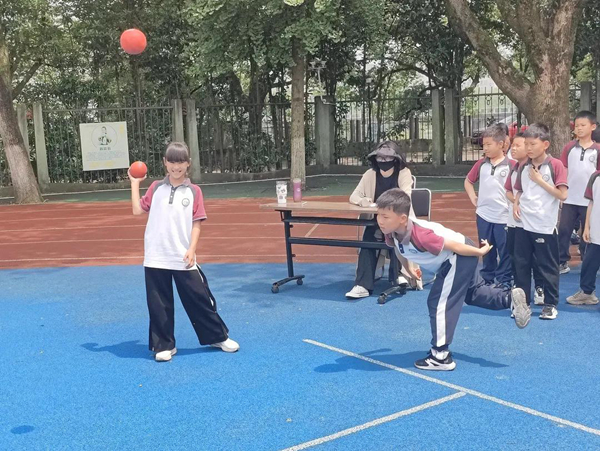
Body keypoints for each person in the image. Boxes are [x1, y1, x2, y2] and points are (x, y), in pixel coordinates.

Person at [376, 189, 529, 371]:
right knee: (472, 294)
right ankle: (509, 299)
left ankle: (440, 356)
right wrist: (408, 269)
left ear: (402, 218)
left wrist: (479, 252)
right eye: (379, 215)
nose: (380, 220)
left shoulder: (421, 235)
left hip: (459, 255)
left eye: (385, 216)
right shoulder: (391, 232)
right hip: (455, 259)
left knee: (439, 302)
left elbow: (454, 246)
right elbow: (398, 248)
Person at [128, 142, 239, 362]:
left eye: (180, 162)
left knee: (199, 298)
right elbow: (137, 210)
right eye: (172, 162)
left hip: (182, 256)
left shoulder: (194, 191)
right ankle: (164, 346)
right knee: (159, 304)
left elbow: (197, 223)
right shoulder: (156, 188)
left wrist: (192, 249)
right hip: (156, 255)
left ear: (188, 164)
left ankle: (217, 337)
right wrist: (134, 183)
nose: (176, 167)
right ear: (165, 162)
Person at [346, 141, 420, 299]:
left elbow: (405, 196)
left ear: (396, 159)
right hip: (376, 221)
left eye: (387, 158)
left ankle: (400, 275)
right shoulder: (369, 174)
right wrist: (362, 201)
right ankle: (362, 285)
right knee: (368, 240)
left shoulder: (404, 173)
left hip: (398, 222)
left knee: (398, 236)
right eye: (380, 158)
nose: (383, 161)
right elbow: (354, 196)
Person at [513, 124, 568, 320]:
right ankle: (522, 304)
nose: (528, 148)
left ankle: (550, 304)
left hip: (544, 225)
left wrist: (540, 181)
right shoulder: (523, 166)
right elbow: (520, 190)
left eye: (533, 144)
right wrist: (516, 203)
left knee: (547, 266)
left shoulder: (555, 165)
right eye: (526, 144)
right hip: (523, 224)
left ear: (545, 144)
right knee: (521, 265)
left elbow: (562, 195)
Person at [464, 124, 514, 287]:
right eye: (483, 144)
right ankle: (487, 278)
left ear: (501, 144)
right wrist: (473, 197)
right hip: (484, 215)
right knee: (486, 248)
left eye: (488, 144)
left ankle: (504, 280)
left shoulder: (512, 165)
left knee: (505, 250)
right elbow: (468, 181)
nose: (485, 148)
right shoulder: (481, 164)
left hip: (504, 216)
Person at [558, 111, 600, 274]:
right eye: (577, 126)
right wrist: (562, 191)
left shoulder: (597, 149)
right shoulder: (569, 147)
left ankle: (587, 262)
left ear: (593, 127)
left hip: (589, 200)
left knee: (588, 233)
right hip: (570, 198)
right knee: (564, 230)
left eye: (583, 125)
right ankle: (562, 261)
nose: (579, 128)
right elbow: (563, 169)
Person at [505, 133, 545, 305]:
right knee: (516, 258)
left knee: (536, 258)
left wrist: (523, 204)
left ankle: (540, 288)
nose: (513, 149)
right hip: (514, 221)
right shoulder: (514, 168)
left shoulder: (535, 169)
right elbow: (508, 191)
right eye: (512, 145)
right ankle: (520, 291)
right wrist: (516, 202)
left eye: (518, 145)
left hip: (532, 222)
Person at [567, 170, 600, 305]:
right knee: (589, 263)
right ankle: (587, 293)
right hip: (596, 231)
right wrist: (586, 227)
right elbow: (591, 203)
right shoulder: (595, 176)